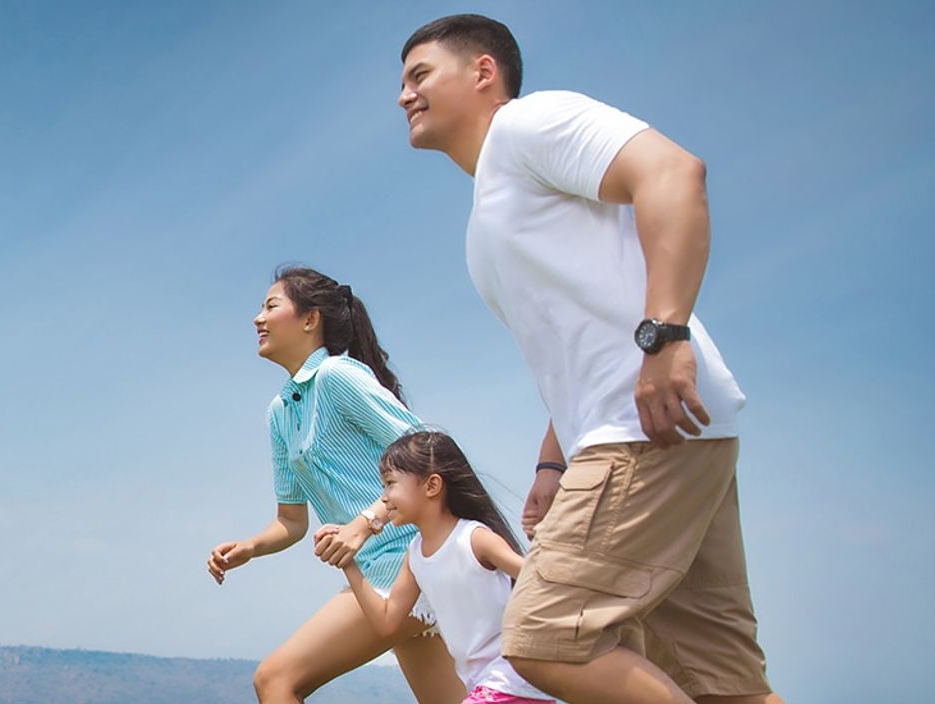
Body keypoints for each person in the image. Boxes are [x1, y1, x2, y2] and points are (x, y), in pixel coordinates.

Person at [394, 13, 782, 704]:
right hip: (665, 432)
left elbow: (671, 172)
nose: (404, 95)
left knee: (545, 637)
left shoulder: (528, 126)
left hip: (641, 428)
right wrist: (552, 462)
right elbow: (564, 352)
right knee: (722, 685)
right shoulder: (485, 221)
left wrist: (665, 334)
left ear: (483, 72)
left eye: (420, 74)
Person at [207, 266, 465, 704]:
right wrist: (250, 547)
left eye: (271, 307)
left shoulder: (337, 377)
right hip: (381, 576)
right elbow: (290, 521)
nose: (257, 319)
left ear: (310, 320)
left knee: (275, 680)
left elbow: (431, 451)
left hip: (405, 565)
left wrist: (366, 522)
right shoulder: (281, 412)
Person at [340, 429, 552, 704]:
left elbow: (537, 579)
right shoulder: (415, 554)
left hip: (512, 680)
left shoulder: (474, 539)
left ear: (432, 486)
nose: (384, 498)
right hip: (483, 686)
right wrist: (349, 565)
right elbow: (386, 622)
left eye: (390, 483)